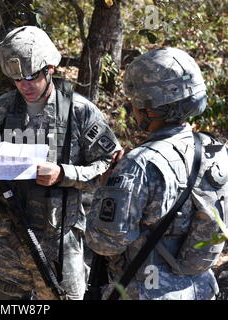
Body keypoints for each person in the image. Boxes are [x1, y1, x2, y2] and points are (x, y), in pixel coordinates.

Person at [0, 26, 121, 300]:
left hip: (59, 245)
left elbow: (111, 169)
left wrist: (64, 173)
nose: (24, 85)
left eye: (31, 77)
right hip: (8, 240)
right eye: (16, 79)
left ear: (49, 68)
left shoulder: (79, 111)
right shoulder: (1, 109)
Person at [85, 47, 228, 300]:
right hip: (201, 289)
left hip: (146, 292)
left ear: (148, 106)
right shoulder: (216, 151)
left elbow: (105, 243)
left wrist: (106, 187)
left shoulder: (140, 163)